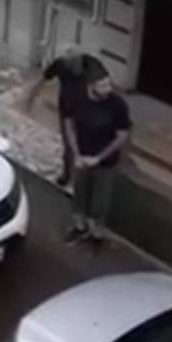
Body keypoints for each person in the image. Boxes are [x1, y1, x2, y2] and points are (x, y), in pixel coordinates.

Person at [24, 44, 106, 188]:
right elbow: (42, 79)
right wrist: (30, 98)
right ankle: (67, 175)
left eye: (74, 65)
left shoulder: (93, 66)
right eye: (69, 65)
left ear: (80, 60)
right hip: (67, 111)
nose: (71, 68)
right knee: (68, 145)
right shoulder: (60, 64)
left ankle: (87, 178)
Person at [66, 72, 130, 246]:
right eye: (102, 86)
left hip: (105, 162)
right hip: (82, 157)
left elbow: (122, 136)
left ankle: (96, 235)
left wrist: (99, 158)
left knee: (100, 202)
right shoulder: (78, 99)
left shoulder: (118, 105)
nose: (107, 89)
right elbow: (69, 124)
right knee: (79, 194)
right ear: (90, 86)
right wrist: (76, 153)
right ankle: (79, 227)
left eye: (108, 84)